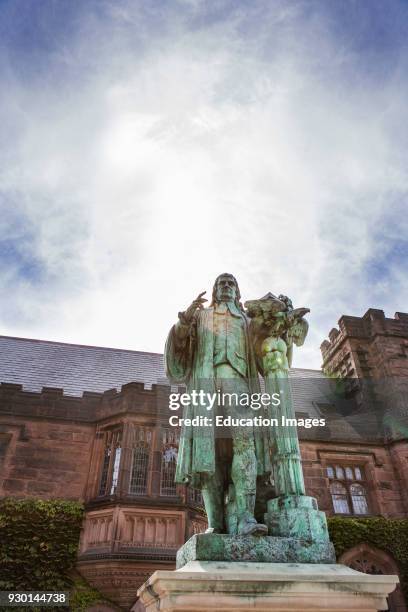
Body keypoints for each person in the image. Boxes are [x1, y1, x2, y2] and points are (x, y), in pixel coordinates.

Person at [165, 273, 271, 535]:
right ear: (214, 290)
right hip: (205, 386)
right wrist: (183, 321)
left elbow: (266, 355)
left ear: (237, 291)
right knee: (207, 451)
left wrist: (279, 325)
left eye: (230, 283)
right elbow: (178, 346)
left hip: (239, 384)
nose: (225, 286)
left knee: (244, 443)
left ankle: (245, 517)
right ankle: (215, 523)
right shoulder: (200, 317)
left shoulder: (248, 322)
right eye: (221, 283)